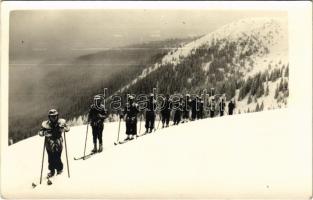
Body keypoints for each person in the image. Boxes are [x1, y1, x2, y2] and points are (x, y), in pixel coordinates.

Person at [38, 109, 70, 178]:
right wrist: (44, 133)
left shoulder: (61, 122)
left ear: (57, 116)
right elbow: (40, 132)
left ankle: (59, 169)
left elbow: (68, 128)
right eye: (52, 116)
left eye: (55, 116)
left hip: (58, 142)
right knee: (50, 158)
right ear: (49, 117)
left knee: (57, 156)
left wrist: (64, 129)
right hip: (49, 143)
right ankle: (52, 171)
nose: (54, 118)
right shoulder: (45, 124)